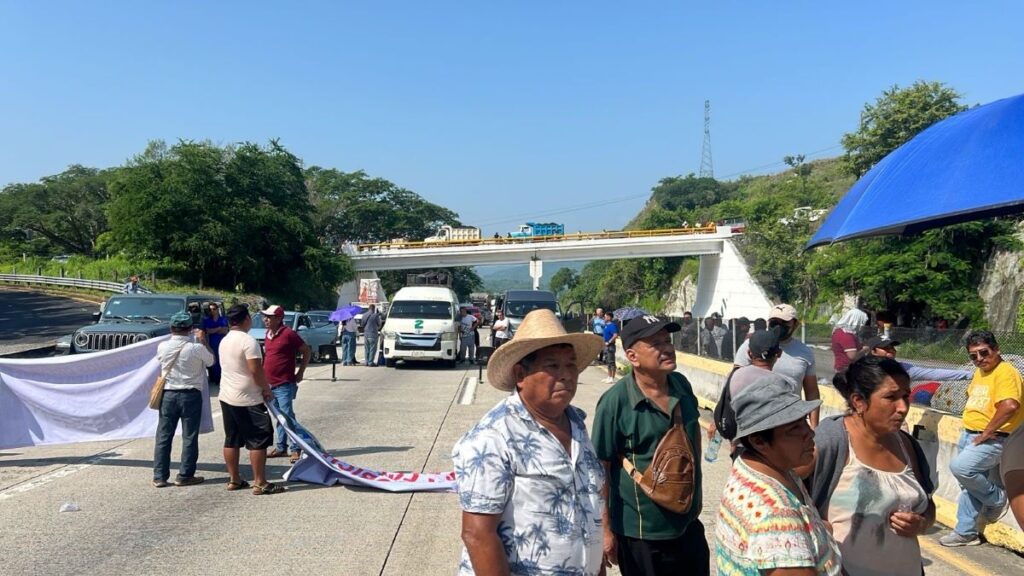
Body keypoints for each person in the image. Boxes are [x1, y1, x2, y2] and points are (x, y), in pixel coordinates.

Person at [452, 310, 605, 575]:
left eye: (570, 365)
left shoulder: (576, 424)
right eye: (552, 366)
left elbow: (588, 507)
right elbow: (478, 535)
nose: (567, 375)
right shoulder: (493, 437)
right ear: (521, 375)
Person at [593, 315, 708, 576]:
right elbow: (601, 467)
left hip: (688, 525)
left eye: (668, 340)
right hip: (641, 533)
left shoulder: (682, 385)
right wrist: (605, 530)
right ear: (633, 357)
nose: (667, 348)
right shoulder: (615, 402)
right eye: (656, 343)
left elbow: (693, 441)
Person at [810, 356, 936, 574]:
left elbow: (928, 505)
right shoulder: (830, 441)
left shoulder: (907, 445)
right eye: (891, 397)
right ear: (859, 401)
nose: (903, 407)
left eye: (906, 396)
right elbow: (789, 505)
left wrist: (922, 523)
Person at [715, 373, 841, 575]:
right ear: (759, 441)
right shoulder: (777, 517)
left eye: (805, 421)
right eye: (794, 429)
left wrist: (820, 532)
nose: (809, 433)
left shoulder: (754, 465)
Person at [940, 330, 1022, 546]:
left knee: (961, 468)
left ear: (996, 349)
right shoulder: (981, 372)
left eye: (983, 353)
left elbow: (1010, 405)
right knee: (968, 484)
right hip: (970, 432)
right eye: (973, 356)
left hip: (995, 437)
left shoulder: (1006, 372)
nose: (979, 359)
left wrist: (986, 432)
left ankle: (996, 498)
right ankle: (966, 532)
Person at [217, 304, 284, 495]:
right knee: (258, 440)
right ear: (246, 319)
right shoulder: (248, 341)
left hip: (227, 395)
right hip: (248, 398)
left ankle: (234, 479)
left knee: (232, 439)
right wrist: (266, 389)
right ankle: (260, 481)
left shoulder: (225, 340)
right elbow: (255, 370)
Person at [152, 311, 214, 488]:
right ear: (190, 329)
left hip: (169, 394)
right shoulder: (196, 348)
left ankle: (159, 476)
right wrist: (203, 340)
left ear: (172, 328)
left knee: (164, 436)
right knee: (189, 436)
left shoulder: (162, 346)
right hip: (191, 394)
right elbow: (211, 362)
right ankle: (185, 475)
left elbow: (160, 361)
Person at [733, 304, 821, 428]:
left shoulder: (805, 352)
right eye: (774, 322)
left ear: (795, 325)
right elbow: (734, 383)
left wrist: (814, 428)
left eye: (784, 323)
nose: (779, 327)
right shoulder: (752, 345)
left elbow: (812, 392)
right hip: (756, 421)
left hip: (791, 422)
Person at [260, 305, 310, 465]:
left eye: (269, 317)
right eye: (265, 317)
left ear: (279, 318)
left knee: (287, 416)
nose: (266, 320)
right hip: (269, 382)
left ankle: (295, 448)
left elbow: (306, 351)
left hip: (284, 383)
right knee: (278, 415)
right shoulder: (267, 334)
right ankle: (281, 446)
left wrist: (300, 372)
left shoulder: (289, 333)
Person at [865, 336, 973, 381]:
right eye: (886, 348)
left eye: (892, 347)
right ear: (873, 351)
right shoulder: (861, 369)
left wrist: (969, 374)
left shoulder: (903, 369)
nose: (891, 350)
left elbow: (934, 373)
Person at [831, 308, 869, 372]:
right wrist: (864, 350)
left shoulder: (839, 331)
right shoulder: (846, 335)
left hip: (842, 367)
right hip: (847, 369)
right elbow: (852, 356)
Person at [201, 302, 229, 384]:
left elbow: (225, 331)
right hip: (212, 343)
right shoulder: (208, 320)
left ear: (217, 309)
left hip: (222, 342)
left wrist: (215, 330)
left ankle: (223, 377)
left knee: (222, 360)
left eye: (214, 309)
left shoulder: (223, 319)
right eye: (210, 309)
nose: (212, 311)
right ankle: (216, 378)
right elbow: (208, 331)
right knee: (214, 360)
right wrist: (219, 328)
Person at [601, 311, 618, 384]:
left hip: (610, 346)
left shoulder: (612, 326)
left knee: (611, 362)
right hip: (605, 345)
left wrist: (609, 342)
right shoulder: (606, 325)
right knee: (608, 361)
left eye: (605, 316)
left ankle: (612, 378)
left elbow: (615, 335)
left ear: (609, 317)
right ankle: (609, 376)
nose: (604, 318)